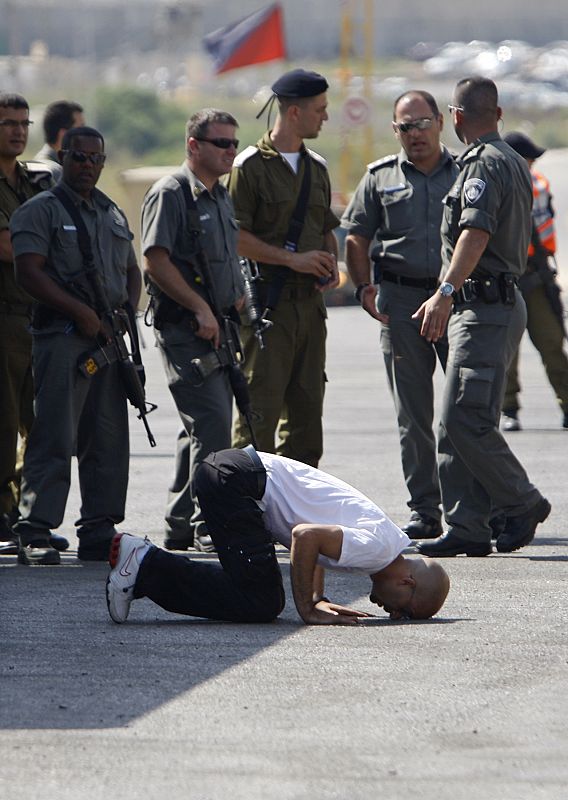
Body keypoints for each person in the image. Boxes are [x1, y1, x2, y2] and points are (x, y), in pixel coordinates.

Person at [413, 77, 550, 558]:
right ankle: (467, 525)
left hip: (483, 308)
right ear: (498, 112)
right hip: (486, 305)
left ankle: (522, 501)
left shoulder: (484, 165)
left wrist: (444, 292)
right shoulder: (510, 160)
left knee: (464, 418)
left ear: (454, 117)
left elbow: (475, 233)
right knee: (456, 422)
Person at [106, 447, 450, 626]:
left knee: (258, 595)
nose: (393, 615)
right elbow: (305, 536)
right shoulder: (377, 550)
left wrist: (317, 597)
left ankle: (146, 568)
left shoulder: (382, 545)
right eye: (405, 611)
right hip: (235, 482)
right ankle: (144, 565)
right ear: (407, 583)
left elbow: (313, 536)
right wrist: (307, 610)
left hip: (233, 475)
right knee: (261, 600)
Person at [10, 126, 141, 565]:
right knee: (54, 432)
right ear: (63, 158)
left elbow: (131, 270)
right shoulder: (40, 210)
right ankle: (37, 527)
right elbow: (29, 271)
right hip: (63, 338)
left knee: (107, 437)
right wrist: (79, 313)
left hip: (106, 340)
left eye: (94, 159)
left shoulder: (111, 211)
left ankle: (99, 529)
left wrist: (125, 313)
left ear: (104, 162)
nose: (87, 165)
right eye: (78, 157)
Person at [342, 90, 459, 540]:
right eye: (405, 126)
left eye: (422, 123)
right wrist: (364, 286)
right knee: (413, 414)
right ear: (395, 130)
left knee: (465, 411)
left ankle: (470, 507)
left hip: (454, 303)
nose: (415, 134)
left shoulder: (466, 172)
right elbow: (357, 236)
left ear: (441, 123)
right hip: (402, 303)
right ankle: (426, 509)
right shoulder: (379, 177)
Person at [141, 109, 244, 553]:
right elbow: (155, 259)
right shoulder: (172, 193)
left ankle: (182, 524)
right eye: (221, 143)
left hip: (218, 327)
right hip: (187, 329)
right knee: (213, 427)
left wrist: (235, 298)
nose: (230, 152)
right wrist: (201, 307)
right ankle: (209, 526)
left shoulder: (219, 195)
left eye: (233, 144)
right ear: (193, 146)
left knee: (198, 431)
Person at [226, 68, 339, 468]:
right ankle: (242, 514)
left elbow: (325, 226)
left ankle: (295, 515)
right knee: (258, 418)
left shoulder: (317, 167)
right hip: (267, 309)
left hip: (310, 308)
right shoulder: (250, 166)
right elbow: (235, 237)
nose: (325, 117)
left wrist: (330, 262)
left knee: (307, 421)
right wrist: (294, 260)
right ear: (294, 112)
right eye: (319, 109)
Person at [0, 92, 69, 556]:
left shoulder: (33, 181)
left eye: (23, 123)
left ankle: (30, 517)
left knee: (42, 427)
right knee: (4, 426)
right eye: (8, 123)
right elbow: (11, 247)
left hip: (36, 317)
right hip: (3, 318)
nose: (18, 131)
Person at [500, 131, 568, 432]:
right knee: (505, 351)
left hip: (536, 276)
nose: (532, 166)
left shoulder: (536, 185)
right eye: (527, 160)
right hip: (505, 278)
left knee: (552, 342)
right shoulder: (495, 183)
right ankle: (508, 409)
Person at [32, 100, 85, 180]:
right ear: (64, 135)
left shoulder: (40, 165)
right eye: (80, 130)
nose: (85, 136)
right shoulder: (54, 173)